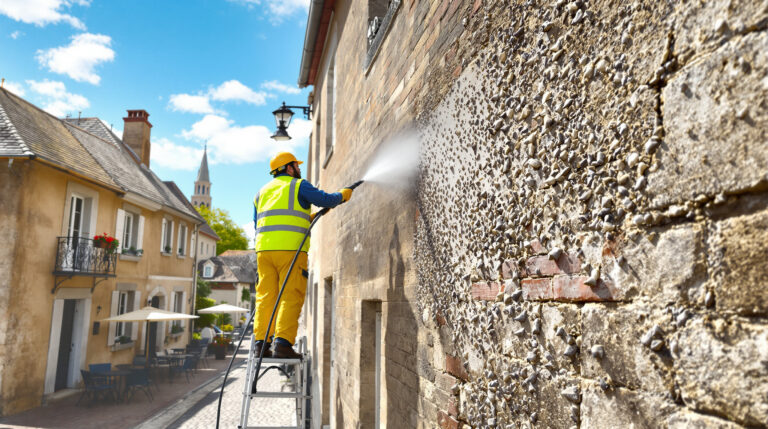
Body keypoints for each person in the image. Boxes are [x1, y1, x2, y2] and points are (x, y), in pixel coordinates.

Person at [252, 152, 353, 360]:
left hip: (264, 252)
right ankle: (282, 344)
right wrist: (342, 195)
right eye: (296, 166)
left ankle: (261, 343)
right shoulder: (299, 185)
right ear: (289, 168)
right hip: (291, 250)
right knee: (291, 294)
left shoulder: (261, 193)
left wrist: (309, 217)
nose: (299, 169)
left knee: (266, 296)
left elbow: (263, 223)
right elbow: (326, 199)